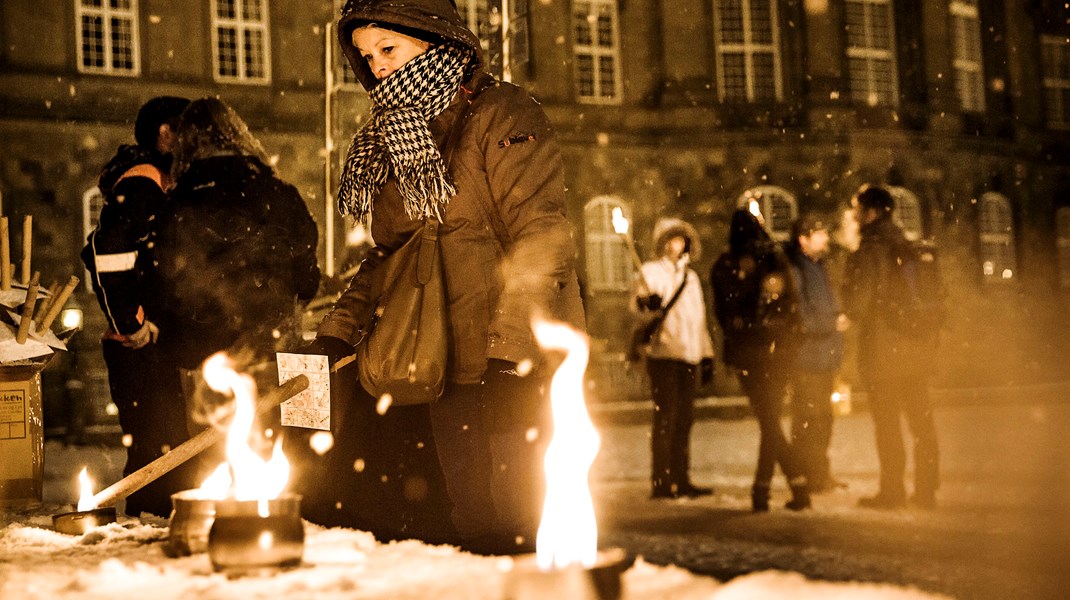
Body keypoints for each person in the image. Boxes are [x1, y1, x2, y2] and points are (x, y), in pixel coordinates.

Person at [308, 0, 585, 555]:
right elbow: (391, 255)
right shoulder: (390, 139)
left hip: (512, 359)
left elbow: (540, 236)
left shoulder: (503, 113)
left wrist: (511, 357)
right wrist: (337, 331)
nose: (378, 65)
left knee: (523, 521)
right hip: (441, 361)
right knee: (472, 523)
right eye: (366, 55)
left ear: (434, 39)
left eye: (389, 48)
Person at [81, 96, 198, 517]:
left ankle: (156, 526)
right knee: (158, 449)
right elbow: (108, 250)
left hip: (148, 344)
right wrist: (132, 323)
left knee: (163, 447)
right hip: (139, 346)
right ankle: (148, 532)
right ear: (166, 134)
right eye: (189, 130)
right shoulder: (144, 180)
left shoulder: (154, 180)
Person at [154, 97, 320, 372]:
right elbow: (306, 270)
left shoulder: (177, 203)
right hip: (274, 345)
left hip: (202, 354)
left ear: (185, 143)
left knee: (214, 415)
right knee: (281, 414)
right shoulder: (279, 193)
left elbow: (160, 276)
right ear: (236, 134)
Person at [842, 185, 940, 509]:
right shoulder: (907, 246)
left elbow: (858, 304)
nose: (854, 216)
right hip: (916, 347)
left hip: (884, 351)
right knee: (921, 422)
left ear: (871, 213)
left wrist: (848, 284)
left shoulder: (870, 250)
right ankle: (926, 491)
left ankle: (892, 491)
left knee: (887, 425)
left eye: (858, 209)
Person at [711, 208, 811, 512]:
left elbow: (727, 312)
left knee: (769, 422)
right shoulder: (773, 258)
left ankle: (776, 489)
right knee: (771, 421)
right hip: (776, 351)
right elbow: (791, 301)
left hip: (752, 354)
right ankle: (779, 489)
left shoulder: (729, 264)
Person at [631, 218, 715, 499]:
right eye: (669, 240)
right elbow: (636, 309)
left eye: (679, 239)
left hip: (688, 355)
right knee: (665, 419)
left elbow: (698, 320)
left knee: (685, 420)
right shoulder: (650, 272)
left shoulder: (690, 278)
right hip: (664, 354)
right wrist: (646, 303)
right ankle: (661, 482)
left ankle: (682, 478)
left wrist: (706, 354)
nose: (674, 245)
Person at [784, 214, 848, 493]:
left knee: (823, 418)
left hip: (824, 356)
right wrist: (831, 324)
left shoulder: (818, 267)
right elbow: (799, 316)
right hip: (806, 358)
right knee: (808, 419)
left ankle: (819, 472)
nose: (825, 238)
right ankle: (808, 476)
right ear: (804, 239)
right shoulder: (796, 270)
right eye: (819, 233)